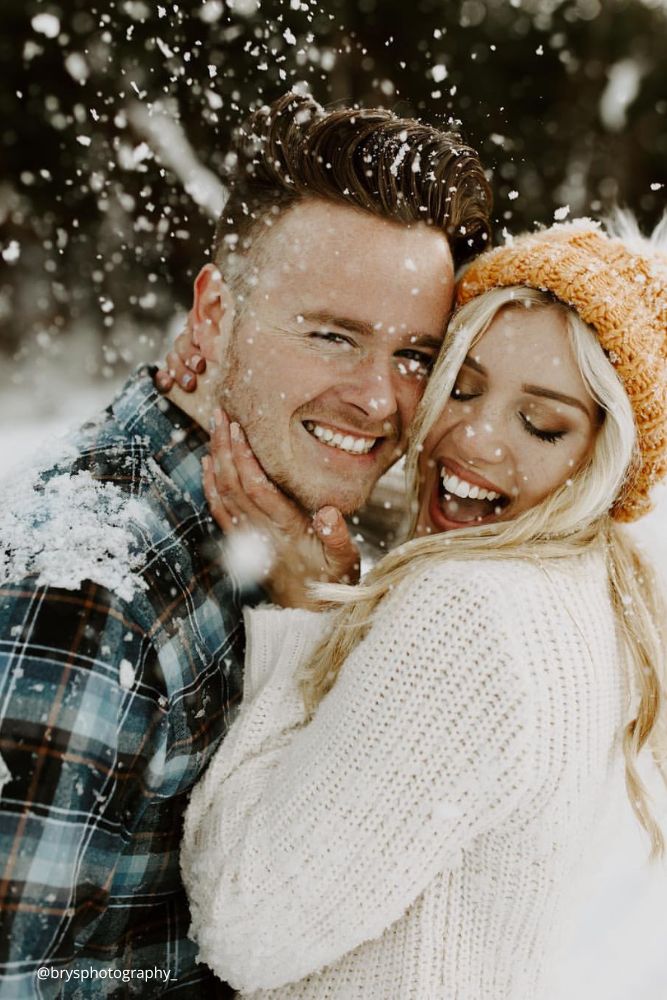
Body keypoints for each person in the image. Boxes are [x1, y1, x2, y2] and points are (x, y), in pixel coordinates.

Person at [0, 92, 490, 997]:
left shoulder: (297, 540)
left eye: (414, 356)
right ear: (214, 313)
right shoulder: (86, 590)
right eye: (332, 336)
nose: (379, 401)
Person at [181, 217, 667, 999]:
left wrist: (304, 615)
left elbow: (240, 924)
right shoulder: (594, 595)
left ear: (606, 459)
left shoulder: (469, 612)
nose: (472, 437)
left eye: (540, 423)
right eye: (462, 386)